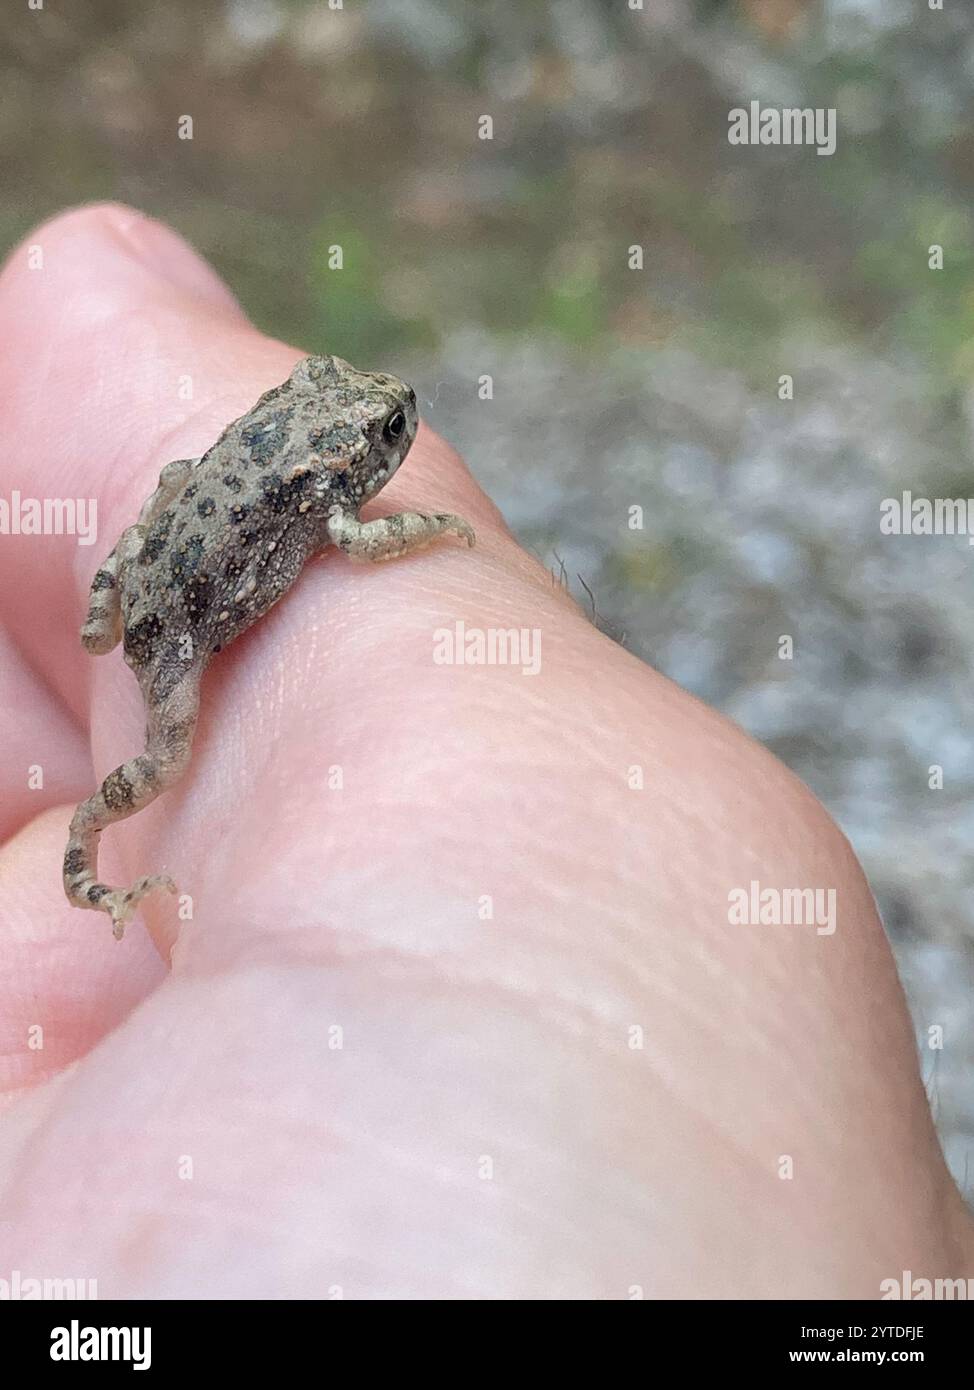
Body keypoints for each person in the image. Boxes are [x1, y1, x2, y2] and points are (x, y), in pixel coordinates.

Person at [0, 204, 969, 1298]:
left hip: (161, 553)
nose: (392, 434)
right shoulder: (330, 498)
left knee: (168, 505)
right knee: (161, 763)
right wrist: (430, 532)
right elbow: (363, 538)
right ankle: (91, 862)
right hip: (177, 627)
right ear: (334, 456)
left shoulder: (305, 464)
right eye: (378, 439)